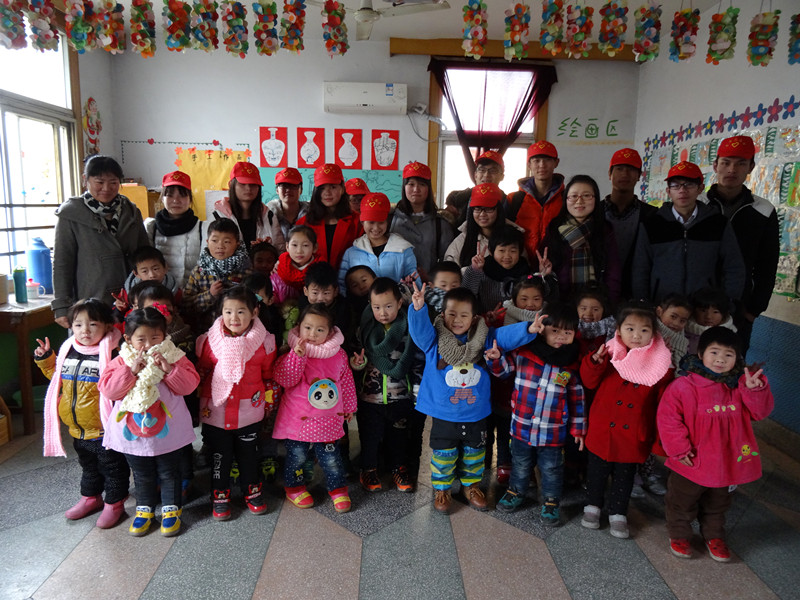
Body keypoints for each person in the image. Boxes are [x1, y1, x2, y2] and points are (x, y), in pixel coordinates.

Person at [408, 284, 539, 514]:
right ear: (442, 314)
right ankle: (442, 488)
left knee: (474, 453)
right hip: (444, 412)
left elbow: (504, 337)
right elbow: (419, 333)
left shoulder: (483, 337)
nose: (457, 320)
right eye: (452, 314)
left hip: (475, 412)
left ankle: (471, 486)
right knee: (443, 453)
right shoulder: (434, 339)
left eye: (464, 315)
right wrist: (418, 309)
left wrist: (529, 328)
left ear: (474, 317)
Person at [657, 327, 774, 562]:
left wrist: (754, 390)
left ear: (737, 359)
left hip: (726, 463)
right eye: (714, 352)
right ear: (701, 354)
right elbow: (668, 419)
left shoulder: (739, 386)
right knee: (682, 500)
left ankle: (714, 535)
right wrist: (679, 449)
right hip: (692, 460)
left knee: (718, 503)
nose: (720, 359)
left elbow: (759, 413)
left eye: (728, 355)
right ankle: (679, 534)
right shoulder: (684, 386)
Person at [99, 307, 200, 537]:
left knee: (169, 472)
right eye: (141, 339)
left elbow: (189, 386)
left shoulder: (175, 356)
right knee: (141, 473)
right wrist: (130, 371)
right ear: (128, 339)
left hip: (168, 433)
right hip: (132, 433)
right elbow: (109, 390)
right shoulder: (121, 360)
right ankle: (144, 510)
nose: (148, 344)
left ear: (165, 336)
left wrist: (169, 369)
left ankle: (171, 509)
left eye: (155, 338)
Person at [579, 302, 673, 539]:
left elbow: (663, 403)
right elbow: (589, 382)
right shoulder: (609, 354)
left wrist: (658, 437)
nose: (636, 335)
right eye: (630, 329)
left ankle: (618, 513)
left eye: (644, 330)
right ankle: (592, 506)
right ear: (619, 330)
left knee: (625, 476)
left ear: (654, 333)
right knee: (596, 472)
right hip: (603, 429)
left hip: (632, 433)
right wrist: (594, 363)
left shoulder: (661, 364)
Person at [35, 298, 129, 529]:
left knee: (113, 468)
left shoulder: (115, 353)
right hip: (78, 428)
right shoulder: (68, 351)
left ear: (108, 326)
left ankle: (114, 503)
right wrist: (46, 360)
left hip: (104, 429)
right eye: (78, 325)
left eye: (93, 324)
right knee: (88, 466)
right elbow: (58, 379)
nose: (85, 330)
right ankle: (91, 497)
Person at [491, 305, 586, 526]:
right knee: (520, 463)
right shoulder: (525, 352)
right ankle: (516, 491)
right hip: (522, 427)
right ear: (542, 330)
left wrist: (578, 429)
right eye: (555, 331)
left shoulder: (571, 363)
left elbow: (577, 397)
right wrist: (496, 359)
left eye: (567, 332)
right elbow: (503, 372)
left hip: (553, 432)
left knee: (552, 468)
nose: (561, 336)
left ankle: (551, 501)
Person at [195, 286, 277, 520]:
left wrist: (269, 403)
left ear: (254, 312)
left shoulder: (265, 342)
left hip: (248, 411)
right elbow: (203, 371)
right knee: (219, 456)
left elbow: (268, 375)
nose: (234, 318)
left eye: (241, 312)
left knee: (248, 455)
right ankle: (220, 494)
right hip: (216, 411)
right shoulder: (208, 341)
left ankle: (252, 490)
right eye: (228, 312)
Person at [272, 303, 357, 513]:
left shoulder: (339, 355)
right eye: (308, 328)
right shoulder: (293, 351)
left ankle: (338, 489)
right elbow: (284, 379)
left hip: (328, 419)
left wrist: (349, 406)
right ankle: (294, 487)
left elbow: (346, 382)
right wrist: (296, 357)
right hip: (298, 419)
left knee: (331, 458)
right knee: (297, 457)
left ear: (330, 332)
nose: (312, 334)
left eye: (320, 329)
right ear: (299, 326)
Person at [701, 135, 780, 354]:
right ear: (715, 165)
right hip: (696, 304)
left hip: (738, 308)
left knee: (730, 363)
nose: (732, 170)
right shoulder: (698, 205)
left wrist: (753, 310)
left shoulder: (763, 210)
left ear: (751, 167)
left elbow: (767, 264)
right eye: (726, 163)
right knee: (688, 363)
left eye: (740, 163)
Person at [52, 155, 149, 328]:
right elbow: (62, 263)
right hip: (89, 298)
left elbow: (145, 254)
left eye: (113, 182)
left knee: (132, 343)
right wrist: (61, 306)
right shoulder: (71, 214)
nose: (106, 188)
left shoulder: (131, 211)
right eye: (99, 182)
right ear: (85, 180)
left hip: (130, 299)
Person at [632, 161, 745, 305]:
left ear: (700, 188)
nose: (682, 190)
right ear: (668, 191)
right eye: (675, 185)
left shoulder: (718, 223)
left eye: (689, 184)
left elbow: (734, 267)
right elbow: (640, 269)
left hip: (705, 308)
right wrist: (643, 305)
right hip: (663, 308)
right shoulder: (652, 224)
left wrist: (728, 305)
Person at [352, 278, 422, 493]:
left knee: (398, 437)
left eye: (388, 306)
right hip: (369, 397)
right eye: (377, 307)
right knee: (370, 437)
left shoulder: (408, 329)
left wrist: (416, 392)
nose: (382, 313)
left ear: (400, 303)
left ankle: (398, 468)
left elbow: (416, 361)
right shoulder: (365, 329)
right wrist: (358, 364)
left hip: (400, 396)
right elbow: (359, 360)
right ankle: (368, 469)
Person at [539, 175, 622, 303]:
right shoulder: (554, 228)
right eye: (573, 196)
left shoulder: (604, 230)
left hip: (595, 305)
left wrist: (608, 304)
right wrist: (544, 274)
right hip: (559, 304)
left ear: (596, 199)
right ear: (566, 199)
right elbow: (542, 269)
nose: (579, 201)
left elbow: (613, 273)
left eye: (586, 195)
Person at [600, 149, 657, 299]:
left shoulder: (652, 215)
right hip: (599, 293)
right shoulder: (594, 212)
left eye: (631, 169)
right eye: (619, 169)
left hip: (637, 293)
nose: (625, 174)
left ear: (639, 175)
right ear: (609, 174)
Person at [338, 192, 418, 294]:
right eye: (371, 222)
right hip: (358, 304)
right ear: (362, 222)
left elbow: (416, 284)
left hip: (394, 303)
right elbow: (342, 286)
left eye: (381, 222)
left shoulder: (403, 249)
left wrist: (409, 288)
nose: (376, 228)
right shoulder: (351, 253)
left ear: (387, 222)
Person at [182, 218, 252, 333]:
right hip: (206, 332)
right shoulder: (200, 271)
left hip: (238, 333)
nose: (220, 246)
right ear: (207, 242)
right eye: (214, 240)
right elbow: (186, 306)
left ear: (237, 244)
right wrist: (210, 295)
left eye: (227, 242)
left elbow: (253, 303)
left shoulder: (245, 270)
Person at [390, 161, 455, 282]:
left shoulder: (441, 224)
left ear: (428, 188)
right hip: (394, 285)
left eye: (422, 184)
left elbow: (447, 262)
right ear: (404, 187)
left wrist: (431, 278)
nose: (416, 189)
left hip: (429, 286)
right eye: (411, 184)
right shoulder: (390, 219)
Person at [144, 170, 207, 289]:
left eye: (182, 195)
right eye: (170, 195)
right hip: (160, 294)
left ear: (190, 198)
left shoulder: (202, 228)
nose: (176, 200)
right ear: (162, 198)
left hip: (192, 294)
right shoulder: (151, 227)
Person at [505, 140, 565, 263]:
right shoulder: (513, 200)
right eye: (536, 160)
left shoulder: (567, 198)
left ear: (556, 163)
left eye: (547, 160)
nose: (542, 165)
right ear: (529, 165)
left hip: (556, 265)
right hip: (520, 265)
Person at [296, 163, 361, 270]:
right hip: (314, 278)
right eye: (322, 188)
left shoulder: (357, 221)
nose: (327, 193)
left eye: (333, 187)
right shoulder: (304, 223)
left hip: (349, 278)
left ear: (342, 189)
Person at [213, 161, 286, 252]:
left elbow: (280, 250)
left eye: (253, 184)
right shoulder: (217, 216)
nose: (248, 188)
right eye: (243, 184)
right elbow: (209, 252)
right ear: (231, 184)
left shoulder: (268, 216)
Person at [445, 182, 521, 268]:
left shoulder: (514, 236)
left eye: (488, 209)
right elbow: (448, 270)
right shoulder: (462, 240)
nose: (482, 214)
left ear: (498, 210)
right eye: (477, 209)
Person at [463, 225, 530, 316]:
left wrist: (544, 275)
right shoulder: (482, 269)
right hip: (485, 320)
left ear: (520, 252)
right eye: (502, 250)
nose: (507, 256)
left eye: (513, 251)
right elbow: (466, 296)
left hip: (517, 321)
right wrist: (475, 270)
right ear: (491, 251)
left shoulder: (525, 271)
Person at [113, 246, 181, 317]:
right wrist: (121, 308)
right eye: (145, 271)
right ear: (136, 273)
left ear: (165, 268)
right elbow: (120, 313)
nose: (152, 275)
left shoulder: (174, 291)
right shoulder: (129, 291)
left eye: (155, 269)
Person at [445, 150, 506, 228]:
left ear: (502, 176)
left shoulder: (508, 202)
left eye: (493, 171)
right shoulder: (457, 199)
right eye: (482, 170)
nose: (486, 175)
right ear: (475, 175)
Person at [271, 224, 320, 306]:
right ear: (287, 247)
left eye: (305, 245)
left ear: (315, 248)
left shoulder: (321, 272)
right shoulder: (279, 270)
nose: (299, 251)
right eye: (294, 245)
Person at [684, 288, 737, 354]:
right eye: (703, 310)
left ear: (724, 314)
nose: (708, 316)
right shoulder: (682, 330)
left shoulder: (731, 335)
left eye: (715, 312)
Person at [266, 167, 309, 242]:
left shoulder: (312, 215)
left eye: (293, 186)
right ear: (277, 190)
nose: (288, 190)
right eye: (284, 186)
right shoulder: (267, 215)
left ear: (301, 190)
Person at [655, 293, 692, 371]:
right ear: (659, 312)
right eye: (673, 317)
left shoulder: (682, 339)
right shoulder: (649, 331)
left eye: (682, 321)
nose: (676, 323)